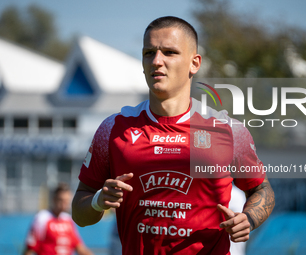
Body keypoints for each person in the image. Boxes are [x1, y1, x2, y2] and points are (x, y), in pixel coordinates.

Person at [72, 16, 275, 254]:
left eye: (169, 52)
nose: (157, 61)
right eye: (149, 53)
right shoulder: (114, 129)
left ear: (194, 63)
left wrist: (249, 219)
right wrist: (98, 200)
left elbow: (261, 189)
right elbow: (80, 212)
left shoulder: (227, 129)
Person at [24, 183, 93, 255]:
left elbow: (79, 246)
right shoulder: (42, 218)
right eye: (61, 200)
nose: (63, 204)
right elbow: (30, 248)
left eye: (66, 201)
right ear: (54, 199)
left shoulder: (68, 220)